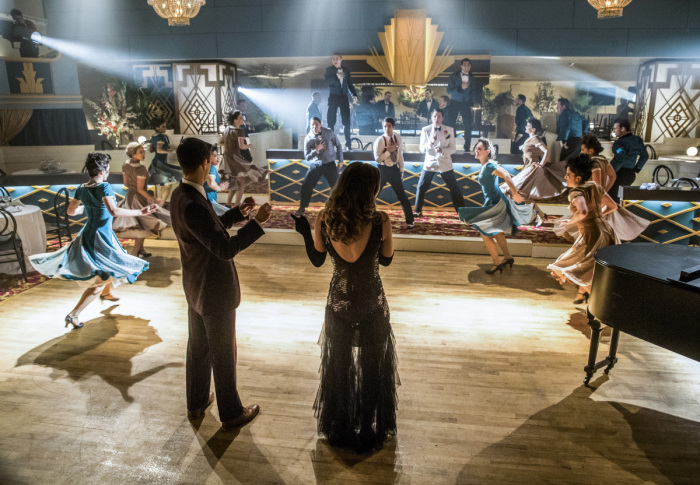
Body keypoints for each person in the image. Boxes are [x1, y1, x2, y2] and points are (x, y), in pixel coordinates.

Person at [291, 162, 398, 454]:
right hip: (372, 304)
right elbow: (387, 260)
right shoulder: (380, 221)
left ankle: (340, 427)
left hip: (338, 304)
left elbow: (317, 260)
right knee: (372, 368)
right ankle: (368, 428)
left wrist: (304, 232)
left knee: (338, 368)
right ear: (370, 189)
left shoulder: (325, 218)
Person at [170, 137, 272, 431]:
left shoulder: (180, 195)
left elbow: (207, 232)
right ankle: (231, 413)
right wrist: (257, 224)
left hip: (195, 285)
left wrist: (236, 214)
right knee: (224, 353)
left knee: (198, 348)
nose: (213, 164)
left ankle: (197, 402)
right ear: (204, 163)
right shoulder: (194, 202)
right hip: (214, 288)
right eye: (212, 160)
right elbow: (224, 248)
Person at [29, 152, 156, 329]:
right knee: (101, 278)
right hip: (100, 236)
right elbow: (114, 211)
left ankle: (104, 294)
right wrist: (140, 212)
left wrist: (87, 208)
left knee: (105, 270)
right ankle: (74, 314)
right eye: (108, 169)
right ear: (103, 171)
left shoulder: (82, 188)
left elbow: (70, 212)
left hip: (88, 233)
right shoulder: (105, 187)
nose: (108, 172)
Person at [548, 155, 619, 304]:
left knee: (570, 267)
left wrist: (570, 222)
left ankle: (603, 306)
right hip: (607, 231)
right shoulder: (594, 186)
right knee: (589, 271)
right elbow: (613, 206)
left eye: (568, 175)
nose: (565, 177)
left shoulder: (576, 192)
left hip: (592, 234)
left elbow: (583, 212)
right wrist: (598, 216)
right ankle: (601, 304)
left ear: (578, 178)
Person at [458, 139, 534, 274]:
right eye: (476, 148)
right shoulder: (487, 165)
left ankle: (497, 263)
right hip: (493, 200)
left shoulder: (489, 166)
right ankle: (508, 258)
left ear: (487, 151)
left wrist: (515, 194)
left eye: (479, 149)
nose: (476, 151)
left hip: (496, 202)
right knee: (497, 232)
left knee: (485, 234)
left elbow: (506, 176)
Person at [581, 134, 649, 241]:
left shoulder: (593, 164)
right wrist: (606, 190)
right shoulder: (603, 160)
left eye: (583, 149)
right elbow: (613, 176)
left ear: (591, 151)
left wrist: (598, 194)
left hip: (595, 198)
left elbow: (596, 185)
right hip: (602, 195)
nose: (581, 152)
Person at [113, 142, 171, 257]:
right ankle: (134, 253)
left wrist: (133, 187)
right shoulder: (141, 169)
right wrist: (152, 198)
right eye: (140, 152)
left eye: (143, 151)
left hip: (130, 196)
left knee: (141, 223)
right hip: (139, 198)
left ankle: (141, 249)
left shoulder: (125, 165)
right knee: (142, 224)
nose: (143, 154)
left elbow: (125, 183)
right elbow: (140, 189)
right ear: (133, 154)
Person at [414, 109, 464, 216]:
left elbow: (453, 148)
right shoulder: (425, 130)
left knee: (454, 188)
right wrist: (430, 142)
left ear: (442, 118)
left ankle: (462, 213)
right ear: (431, 118)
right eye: (434, 116)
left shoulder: (449, 130)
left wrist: (442, 151)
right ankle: (417, 211)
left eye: (439, 116)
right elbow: (422, 149)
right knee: (421, 187)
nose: (436, 119)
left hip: (445, 163)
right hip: (430, 163)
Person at [504, 118, 566, 203]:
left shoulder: (535, 138)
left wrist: (541, 164)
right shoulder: (530, 139)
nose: (525, 127)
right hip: (528, 167)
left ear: (533, 129)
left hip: (532, 168)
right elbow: (540, 152)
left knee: (514, 189)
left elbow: (546, 151)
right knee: (518, 191)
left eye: (528, 125)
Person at [296, 117, 344, 216]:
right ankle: (302, 208)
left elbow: (339, 146)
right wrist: (316, 150)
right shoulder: (308, 137)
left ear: (320, 124)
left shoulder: (329, 133)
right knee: (306, 186)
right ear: (310, 125)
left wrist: (341, 160)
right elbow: (307, 157)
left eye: (316, 124)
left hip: (330, 164)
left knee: (337, 187)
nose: (314, 126)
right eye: (312, 124)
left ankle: (341, 208)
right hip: (316, 164)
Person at [373, 117, 414, 228]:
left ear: (393, 127)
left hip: (394, 170)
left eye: (389, 126)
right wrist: (388, 151)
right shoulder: (380, 140)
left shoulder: (398, 138)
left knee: (402, 196)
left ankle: (410, 222)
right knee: (373, 195)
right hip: (382, 170)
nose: (387, 128)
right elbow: (377, 159)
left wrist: (401, 170)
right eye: (385, 126)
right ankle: (365, 218)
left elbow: (400, 155)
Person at [220, 111, 266, 207]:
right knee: (241, 183)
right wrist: (250, 145)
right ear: (235, 120)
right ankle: (236, 207)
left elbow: (220, 142)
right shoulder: (239, 131)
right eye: (240, 118)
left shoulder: (227, 129)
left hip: (227, 158)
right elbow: (242, 146)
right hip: (235, 159)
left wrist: (230, 145)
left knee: (235, 183)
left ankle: (228, 204)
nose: (243, 119)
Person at [608, 118, 648, 203]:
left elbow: (621, 158)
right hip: (630, 175)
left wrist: (610, 171)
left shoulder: (619, 143)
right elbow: (645, 156)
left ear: (622, 129)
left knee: (612, 199)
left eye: (615, 128)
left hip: (619, 175)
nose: (614, 131)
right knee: (622, 199)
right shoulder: (637, 140)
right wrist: (637, 168)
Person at [324, 53, 358, 151]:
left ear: (341, 60)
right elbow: (327, 82)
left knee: (346, 122)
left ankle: (348, 145)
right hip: (333, 97)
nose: (335, 60)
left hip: (344, 97)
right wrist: (336, 75)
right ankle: (330, 144)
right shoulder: (329, 70)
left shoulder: (346, 70)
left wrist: (354, 94)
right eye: (333, 59)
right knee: (331, 121)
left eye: (337, 59)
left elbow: (349, 84)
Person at [148, 118, 182, 203]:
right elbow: (159, 150)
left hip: (157, 162)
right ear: (157, 127)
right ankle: (161, 204)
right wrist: (172, 151)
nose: (165, 128)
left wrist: (167, 148)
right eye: (163, 126)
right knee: (167, 184)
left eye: (165, 126)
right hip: (160, 163)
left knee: (165, 184)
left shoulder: (153, 136)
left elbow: (151, 150)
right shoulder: (160, 137)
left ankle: (160, 203)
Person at [447, 58, 477, 151]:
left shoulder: (472, 78)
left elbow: (473, 92)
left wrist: (472, 104)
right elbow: (449, 90)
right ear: (461, 66)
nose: (466, 67)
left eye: (468, 65)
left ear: (470, 66)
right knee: (451, 124)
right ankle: (450, 144)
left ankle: (467, 146)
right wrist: (460, 87)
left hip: (466, 103)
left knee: (468, 125)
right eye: (464, 65)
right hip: (455, 102)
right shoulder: (453, 76)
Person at [203, 144, 230, 216]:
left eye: (217, 155)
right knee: (232, 214)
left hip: (207, 200)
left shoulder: (205, 167)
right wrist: (220, 188)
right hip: (209, 201)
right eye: (215, 156)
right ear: (208, 157)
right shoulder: (211, 168)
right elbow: (211, 183)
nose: (218, 158)